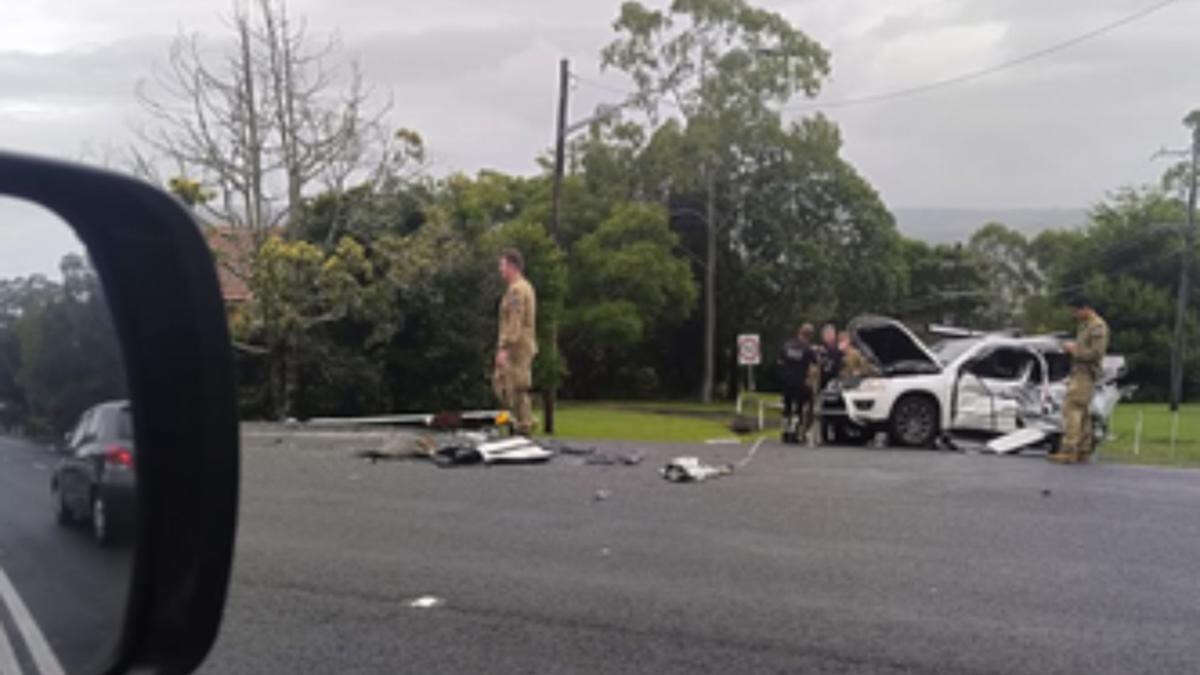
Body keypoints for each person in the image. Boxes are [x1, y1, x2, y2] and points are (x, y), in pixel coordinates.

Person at [1050, 295, 1109, 464]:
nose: (1074, 315)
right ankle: (1083, 450)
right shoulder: (1085, 326)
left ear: (1086, 308)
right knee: (1082, 412)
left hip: (1086, 372)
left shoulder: (1097, 327)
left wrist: (1074, 350)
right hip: (1078, 371)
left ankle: (1070, 450)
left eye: (1076, 311)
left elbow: (1095, 354)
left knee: (1072, 409)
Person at [493, 248, 538, 435]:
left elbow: (514, 320)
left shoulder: (517, 290)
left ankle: (522, 427)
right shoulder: (524, 287)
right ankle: (520, 425)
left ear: (512, 266)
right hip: (521, 345)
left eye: (502, 265)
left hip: (517, 347)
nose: (500, 270)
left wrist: (505, 347)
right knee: (514, 387)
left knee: (512, 387)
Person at [778, 324, 816, 444]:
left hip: (786, 380)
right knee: (800, 406)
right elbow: (815, 362)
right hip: (799, 381)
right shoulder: (808, 349)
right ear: (810, 336)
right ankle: (794, 432)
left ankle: (785, 432)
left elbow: (779, 361)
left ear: (799, 332)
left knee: (787, 406)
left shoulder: (787, 345)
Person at [813, 323, 843, 444]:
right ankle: (824, 435)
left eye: (831, 334)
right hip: (822, 384)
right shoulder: (820, 350)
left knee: (837, 409)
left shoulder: (838, 350)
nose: (829, 336)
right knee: (823, 411)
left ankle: (838, 434)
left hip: (836, 383)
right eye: (826, 334)